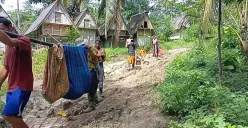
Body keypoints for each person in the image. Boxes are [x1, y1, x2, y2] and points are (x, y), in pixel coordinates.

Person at [0, 17, 33, 128]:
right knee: (16, 119)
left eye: (2, 29)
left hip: (22, 86)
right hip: (12, 87)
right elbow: (6, 68)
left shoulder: (24, 40)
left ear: (11, 27)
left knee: (8, 115)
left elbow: (10, 41)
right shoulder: (7, 47)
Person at [83, 41, 102, 113]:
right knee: (93, 85)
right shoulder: (84, 50)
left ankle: (91, 105)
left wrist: (89, 49)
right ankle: (96, 99)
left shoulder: (92, 49)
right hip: (89, 70)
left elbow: (94, 57)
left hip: (93, 70)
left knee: (91, 86)